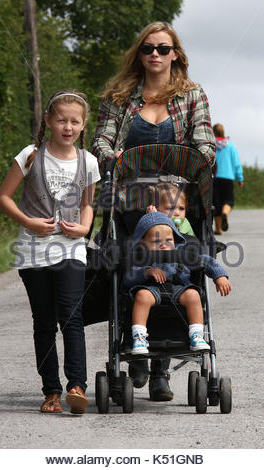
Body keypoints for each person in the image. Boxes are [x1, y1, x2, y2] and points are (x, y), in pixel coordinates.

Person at [91, 21, 216, 400]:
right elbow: (101, 140)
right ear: (139, 54)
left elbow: (205, 141)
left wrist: (192, 163)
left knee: (175, 267)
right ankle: (135, 355)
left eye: (163, 48)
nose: (155, 55)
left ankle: (162, 367)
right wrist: (114, 158)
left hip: (177, 200)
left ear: (175, 53)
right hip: (128, 200)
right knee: (129, 268)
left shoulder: (192, 94)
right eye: (148, 49)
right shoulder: (119, 96)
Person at [0, 89, 101, 414]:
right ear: (48, 121)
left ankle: (76, 386)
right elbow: (4, 197)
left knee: (71, 316)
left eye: (74, 121)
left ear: (83, 125)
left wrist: (84, 229)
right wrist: (29, 221)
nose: (67, 127)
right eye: (61, 120)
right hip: (33, 250)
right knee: (43, 321)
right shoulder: (30, 155)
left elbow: (87, 205)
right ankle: (51, 392)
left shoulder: (89, 161)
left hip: (71, 249)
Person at [124, 212, 231, 355]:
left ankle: (197, 335)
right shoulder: (140, 257)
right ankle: (139, 337)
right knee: (141, 296)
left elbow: (207, 261)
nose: (163, 245)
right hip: (150, 288)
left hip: (179, 287)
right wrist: (146, 272)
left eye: (169, 240)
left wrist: (220, 276)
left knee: (193, 295)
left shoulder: (182, 252)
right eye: (156, 241)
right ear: (142, 244)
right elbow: (128, 279)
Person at [212, 123, 244, 234]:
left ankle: (218, 229)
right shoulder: (231, 146)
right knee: (228, 201)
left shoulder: (212, 145)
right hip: (228, 178)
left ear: (213, 132)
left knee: (216, 203)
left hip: (214, 177)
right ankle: (225, 213)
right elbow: (236, 163)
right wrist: (240, 178)